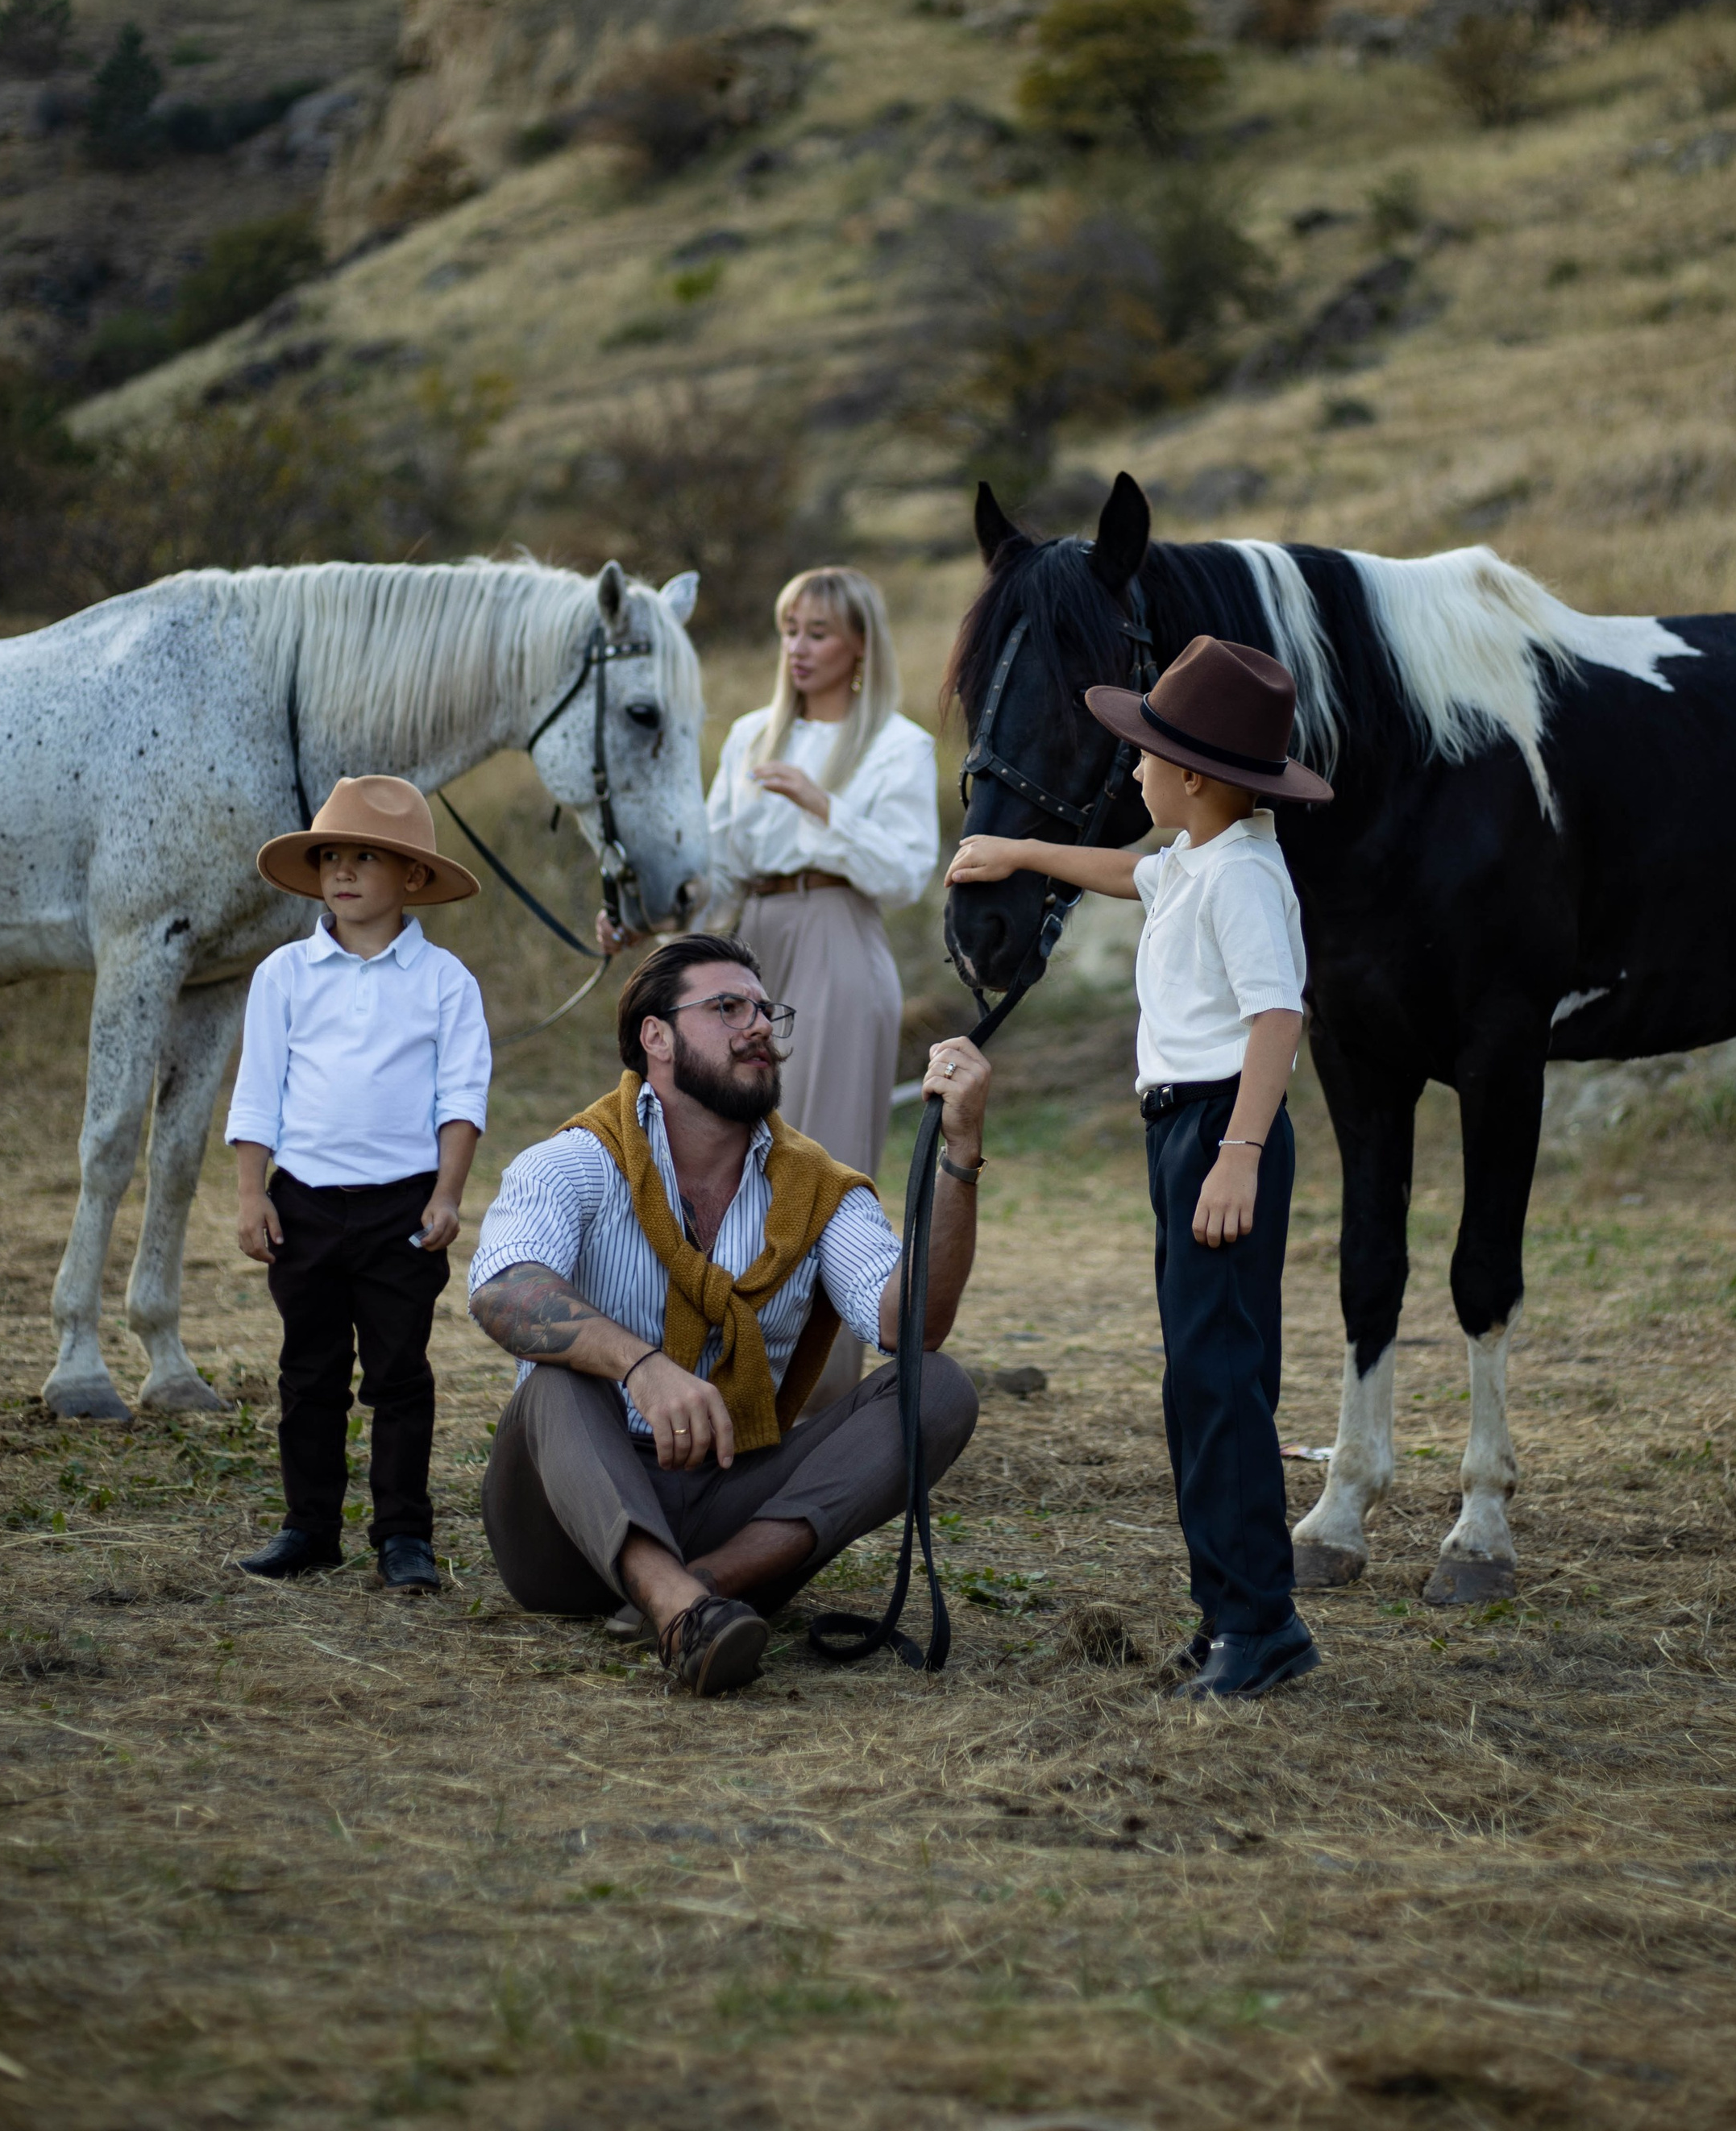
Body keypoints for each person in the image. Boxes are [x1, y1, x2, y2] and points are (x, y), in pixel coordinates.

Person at [947, 635, 1333, 1700]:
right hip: (1184, 1132)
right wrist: (1020, 855)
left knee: (1219, 1386)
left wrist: (1240, 1154)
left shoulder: (1247, 878)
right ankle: (1230, 1615)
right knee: (1201, 1383)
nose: (1132, 771)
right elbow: (1129, 871)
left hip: (1221, 1129)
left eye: (1148, 755)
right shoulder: (1199, 856)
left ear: (1197, 776)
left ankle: (1262, 1624)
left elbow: (1278, 1017)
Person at [466, 933, 986, 1697]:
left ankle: (700, 1585)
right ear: (657, 1037)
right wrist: (641, 1367)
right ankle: (676, 1607)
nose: (758, 1027)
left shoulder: (816, 1187)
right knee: (558, 1373)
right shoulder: (577, 1159)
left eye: (765, 1010)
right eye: (726, 1007)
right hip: (561, 1531)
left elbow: (911, 1324)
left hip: (727, 1510)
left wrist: (961, 1155)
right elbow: (502, 1289)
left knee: (938, 1386)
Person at [606, 566, 937, 1416]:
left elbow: (904, 872)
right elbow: (711, 861)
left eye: (818, 631)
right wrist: (647, 920)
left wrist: (824, 804)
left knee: (817, 1159)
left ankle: (820, 1397)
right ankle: (713, 1368)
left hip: (837, 933)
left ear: (859, 643)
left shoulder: (898, 744)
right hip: (744, 941)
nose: (798, 646)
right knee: (717, 1147)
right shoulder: (753, 731)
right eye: (790, 628)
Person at [226, 776, 492, 1594]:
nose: (342, 872)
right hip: (303, 1201)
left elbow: (460, 1097)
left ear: (411, 876)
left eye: (365, 857)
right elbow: (258, 1088)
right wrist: (251, 1191)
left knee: (399, 1372)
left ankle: (403, 1534)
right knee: (308, 1372)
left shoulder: (444, 980)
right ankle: (309, 1526)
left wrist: (445, 1194)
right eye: (330, 856)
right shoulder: (286, 973)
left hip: (401, 1206)